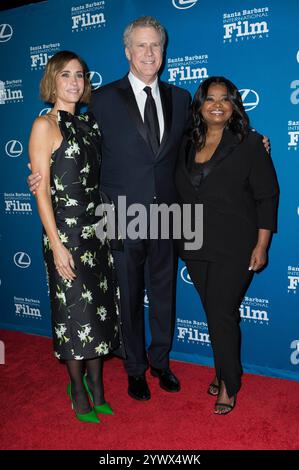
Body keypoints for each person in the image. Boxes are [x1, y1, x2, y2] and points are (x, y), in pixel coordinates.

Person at [27, 17, 270, 403]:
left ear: (164, 51)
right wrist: (40, 174)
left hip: (170, 216)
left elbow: (206, 139)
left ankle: (160, 362)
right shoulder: (102, 99)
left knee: (163, 295)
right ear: (127, 51)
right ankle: (135, 368)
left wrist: (253, 141)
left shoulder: (180, 98)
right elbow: (77, 147)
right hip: (118, 216)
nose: (148, 53)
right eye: (140, 46)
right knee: (127, 296)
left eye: (155, 45)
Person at [175, 76, 279, 415]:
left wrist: (262, 245)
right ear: (200, 106)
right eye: (210, 99)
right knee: (215, 314)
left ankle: (229, 384)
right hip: (193, 241)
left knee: (221, 312)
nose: (217, 104)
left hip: (235, 244)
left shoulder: (249, 143)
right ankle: (222, 371)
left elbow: (267, 196)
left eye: (225, 99)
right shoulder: (186, 143)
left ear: (234, 105)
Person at [28, 50, 122, 423]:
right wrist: (56, 244)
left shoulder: (89, 125)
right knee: (73, 314)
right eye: (66, 75)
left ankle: (98, 387)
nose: (74, 82)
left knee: (99, 313)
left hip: (96, 231)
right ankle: (78, 388)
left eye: (80, 75)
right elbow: (41, 190)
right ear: (53, 80)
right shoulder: (43, 126)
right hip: (64, 233)